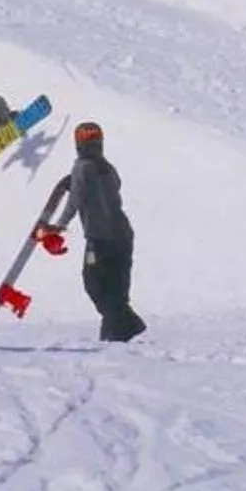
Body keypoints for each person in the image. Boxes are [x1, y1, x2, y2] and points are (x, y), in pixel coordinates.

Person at [67, 122, 145, 342]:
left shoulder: (82, 167)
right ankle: (115, 335)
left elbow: (75, 201)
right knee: (116, 287)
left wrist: (59, 225)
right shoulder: (106, 166)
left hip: (100, 238)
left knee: (94, 282)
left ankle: (130, 326)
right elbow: (116, 185)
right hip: (122, 234)